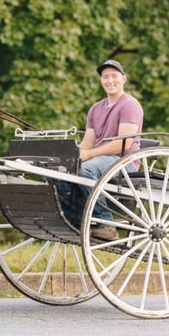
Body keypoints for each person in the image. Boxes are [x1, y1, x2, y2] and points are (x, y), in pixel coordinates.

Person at [58, 59, 144, 240]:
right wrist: (71, 156)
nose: (110, 80)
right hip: (100, 159)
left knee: (86, 168)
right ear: (101, 80)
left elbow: (123, 144)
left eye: (114, 76)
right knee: (60, 169)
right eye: (106, 77)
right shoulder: (95, 108)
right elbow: (88, 142)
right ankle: (77, 219)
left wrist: (88, 155)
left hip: (124, 162)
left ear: (124, 79)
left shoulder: (130, 105)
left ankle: (104, 223)